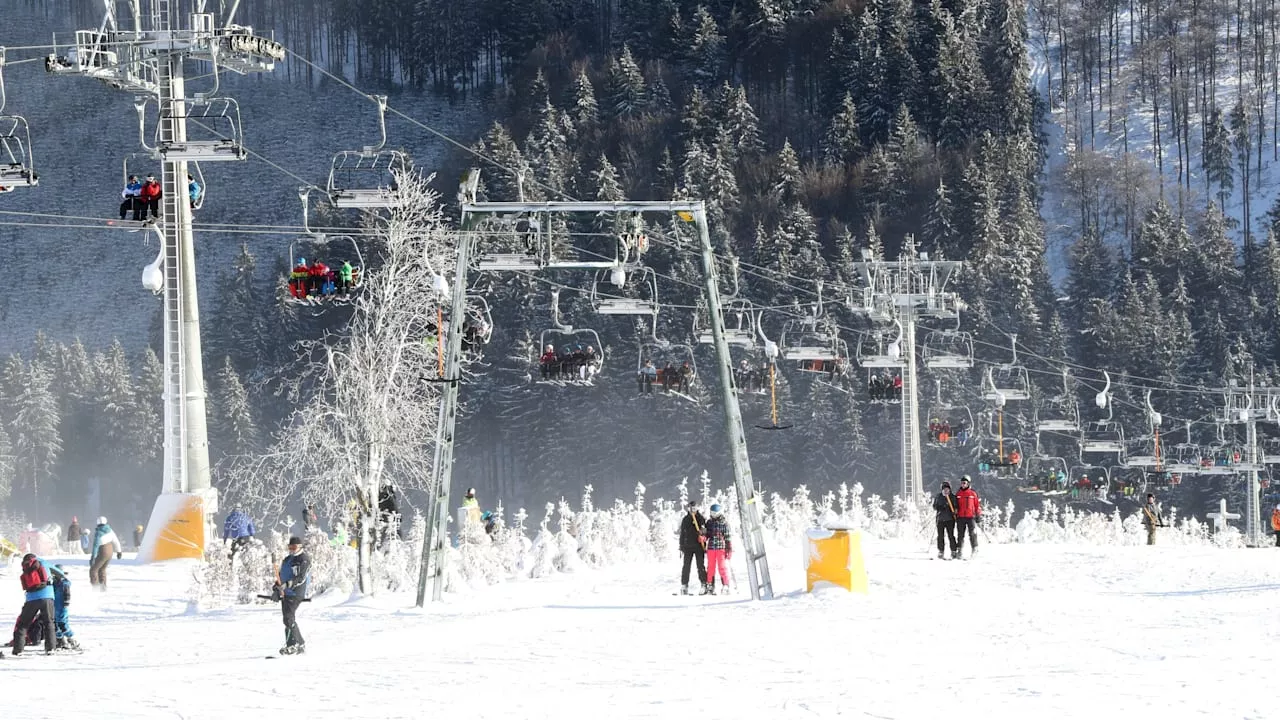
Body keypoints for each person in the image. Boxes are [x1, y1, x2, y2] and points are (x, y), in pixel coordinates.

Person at [11, 554, 55, 655]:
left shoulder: (26, 566)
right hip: (47, 597)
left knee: (23, 624)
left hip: (31, 599)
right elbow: (59, 572)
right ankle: (50, 649)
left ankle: (18, 650)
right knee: (49, 623)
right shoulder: (42, 562)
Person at [275, 536, 311, 655]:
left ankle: (298, 643)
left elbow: (301, 578)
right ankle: (292, 644)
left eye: (294, 547)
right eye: (289, 547)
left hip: (296, 592)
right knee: (287, 619)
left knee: (289, 618)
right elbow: (280, 576)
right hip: (285, 593)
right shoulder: (287, 560)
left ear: (300, 547)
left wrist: (288, 585)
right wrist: (276, 589)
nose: (291, 550)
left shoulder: (303, 559)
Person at [677, 501, 708, 595]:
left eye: (694, 508)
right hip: (687, 547)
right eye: (690, 508)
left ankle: (704, 584)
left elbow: (705, 531)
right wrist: (681, 545)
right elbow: (682, 533)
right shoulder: (685, 519)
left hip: (698, 547)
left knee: (700, 566)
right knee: (686, 567)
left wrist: (702, 533)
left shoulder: (700, 518)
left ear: (697, 508)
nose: (692, 510)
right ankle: (684, 585)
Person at [702, 504, 732, 594]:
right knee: (710, 567)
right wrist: (704, 537)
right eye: (711, 513)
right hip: (711, 548)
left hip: (720, 548)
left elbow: (727, 537)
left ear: (719, 513)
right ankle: (710, 584)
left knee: (722, 567)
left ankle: (726, 585)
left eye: (715, 513)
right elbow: (707, 534)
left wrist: (729, 549)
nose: (713, 515)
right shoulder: (709, 522)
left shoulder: (724, 523)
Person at [49, 564, 77, 650]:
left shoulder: (64, 583)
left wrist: (66, 602)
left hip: (61, 607)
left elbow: (67, 594)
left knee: (62, 623)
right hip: (54, 607)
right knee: (55, 624)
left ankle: (71, 638)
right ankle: (60, 640)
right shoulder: (53, 583)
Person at [954, 476, 980, 559]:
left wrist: (978, 514)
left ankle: (974, 549)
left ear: (968, 483)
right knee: (960, 534)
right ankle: (960, 550)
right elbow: (955, 505)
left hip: (970, 516)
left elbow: (977, 505)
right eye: (962, 483)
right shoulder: (958, 493)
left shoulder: (973, 493)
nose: (963, 484)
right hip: (961, 517)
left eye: (964, 483)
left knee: (972, 533)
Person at [89, 517, 119, 590]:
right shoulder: (110, 530)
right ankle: (103, 588)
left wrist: (93, 556)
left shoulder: (98, 533)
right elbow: (116, 540)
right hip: (110, 550)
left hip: (103, 551)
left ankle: (95, 588)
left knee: (93, 570)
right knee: (102, 569)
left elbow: (95, 545)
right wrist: (119, 551)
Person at [933, 481, 958, 559]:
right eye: (944, 489)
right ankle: (941, 551)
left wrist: (954, 511)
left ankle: (953, 551)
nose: (946, 490)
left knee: (951, 535)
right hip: (940, 519)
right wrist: (939, 507)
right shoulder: (938, 496)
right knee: (940, 536)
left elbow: (956, 506)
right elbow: (934, 506)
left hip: (950, 520)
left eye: (947, 489)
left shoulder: (953, 497)